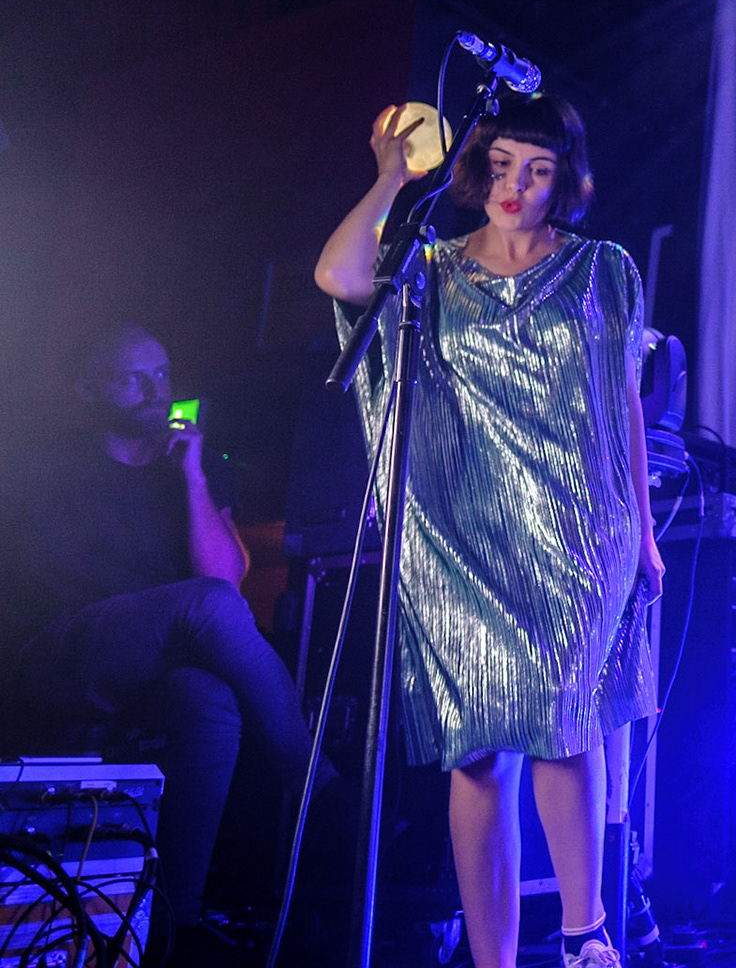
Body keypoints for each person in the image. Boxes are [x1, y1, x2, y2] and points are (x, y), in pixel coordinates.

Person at [314, 97, 666, 968]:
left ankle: (586, 935)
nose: (516, 186)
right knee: (476, 750)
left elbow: (623, 403)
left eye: (538, 170)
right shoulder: (429, 270)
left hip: (578, 530)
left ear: (565, 180)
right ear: (479, 169)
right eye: (503, 165)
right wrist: (393, 177)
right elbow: (337, 277)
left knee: (564, 718)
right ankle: (492, 959)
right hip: (461, 533)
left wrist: (646, 531)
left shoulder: (603, 270)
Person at [0, 323, 328, 960]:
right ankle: (318, 786)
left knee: (208, 701)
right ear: (88, 389)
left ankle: (175, 922)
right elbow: (210, 602)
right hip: (56, 652)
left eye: (163, 375)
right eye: (132, 378)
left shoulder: (192, 473)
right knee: (202, 610)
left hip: (154, 667)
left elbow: (225, 579)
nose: (155, 391)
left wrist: (195, 480)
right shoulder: (46, 469)